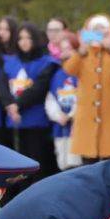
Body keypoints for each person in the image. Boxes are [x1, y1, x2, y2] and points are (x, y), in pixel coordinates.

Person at [63, 14, 110, 162]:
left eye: (103, 30)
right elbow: (69, 69)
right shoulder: (83, 55)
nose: (99, 33)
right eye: (95, 30)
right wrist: (81, 50)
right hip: (87, 125)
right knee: (88, 171)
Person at [1, 22, 59, 186]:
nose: (24, 42)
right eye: (20, 38)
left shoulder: (47, 62)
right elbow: (3, 86)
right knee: (17, 165)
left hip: (36, 120)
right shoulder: (10, 61)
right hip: (13, 119)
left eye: (28, 38)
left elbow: (38, 88)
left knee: (37, 162)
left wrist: (17, 105)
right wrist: (9, 105)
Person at [46, 31, 81, 170]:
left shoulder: (80, 73)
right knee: (62, 162)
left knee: (76, 162)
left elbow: (83, 97)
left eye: (70, 49)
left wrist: (71, 115)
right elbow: (50, 98)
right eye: (63, 49)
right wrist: (58, 115)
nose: (66, 52)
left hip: (76, 126)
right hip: (60, 126)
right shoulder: (57, 74)